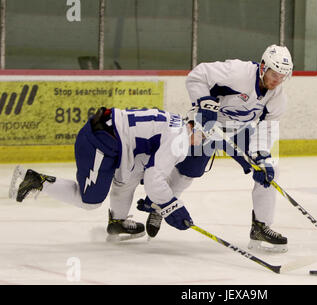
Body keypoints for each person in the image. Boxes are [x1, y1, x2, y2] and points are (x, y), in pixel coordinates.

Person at [139, 44, 293, 253]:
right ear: (263, 67)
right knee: (189, 172)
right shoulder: (238, 73)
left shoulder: (277, 96)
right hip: (208, 123)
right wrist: (204, 103)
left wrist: (262, 156)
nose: (277, 81)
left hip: (239, 131)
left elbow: (266, 129)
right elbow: (196, 76)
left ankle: (261, 226)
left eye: (282, 77)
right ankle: (160, 206)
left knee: (267, 169)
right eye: (274, 74)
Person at [9, 107, 196, 241]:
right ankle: (35, 179)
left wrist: (161, 201)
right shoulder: (180, 140)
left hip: (107, 136)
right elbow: (154, 181)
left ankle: (117, 222)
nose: (204, 143)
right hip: (100, 142)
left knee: (128, 180)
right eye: (205, 136)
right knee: (89, 202)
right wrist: (172, 208)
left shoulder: (176, 122)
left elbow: (131, 176)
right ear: (196, 127)